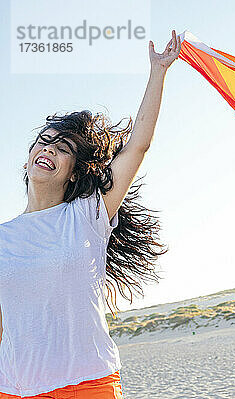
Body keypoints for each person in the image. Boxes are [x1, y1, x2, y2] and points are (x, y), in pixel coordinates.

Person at [0, 30, 181, 398]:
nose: (49, 149)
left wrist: (157, 72)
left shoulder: (87, 216)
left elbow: (137, 146)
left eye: (63, 148)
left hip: (86, 384)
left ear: (75, 170)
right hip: (13, 388)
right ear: (28, 157)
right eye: (44, 141)